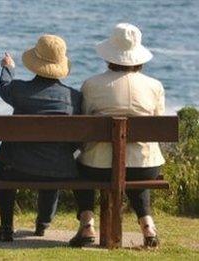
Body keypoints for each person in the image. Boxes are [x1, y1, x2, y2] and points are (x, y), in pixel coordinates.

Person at [70, 23, 165, 248]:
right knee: (131, 168)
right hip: (146, 164)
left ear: (110, 55)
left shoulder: (92, 85)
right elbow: (158, 123)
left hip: (99, 166)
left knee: (79, 166)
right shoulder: (155, 86)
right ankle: (147, 225)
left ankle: (86, 223)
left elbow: (83, 124)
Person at [0, 35, 81, 241]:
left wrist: (7, 67)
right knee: (53, 156)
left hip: (15, 169)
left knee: (4, 163)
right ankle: (43, 222)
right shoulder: (74, 98)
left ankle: (6, 227)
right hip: (57, 171)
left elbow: (3, 87)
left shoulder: (18, 90)